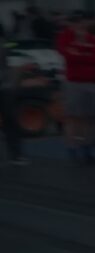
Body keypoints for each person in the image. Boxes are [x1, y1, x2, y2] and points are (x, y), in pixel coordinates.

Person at [56, 11, 95, 165]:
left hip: (92, 83)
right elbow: (68, 55)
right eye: (76, 22)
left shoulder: (94, 39)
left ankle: (87, 150)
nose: (80, 25)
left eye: (82, 22)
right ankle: (72, 149)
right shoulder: (65, 37)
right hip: (73, 83)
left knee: (89, 118)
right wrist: (86, 54)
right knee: (72, 118)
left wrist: (80, 53)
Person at [0, 24, 26, 166]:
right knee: (11, 121)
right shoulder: (7, 43)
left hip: (6, 87)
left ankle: (16, 154)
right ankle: (16, 155)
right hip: (7, 88)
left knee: (11, 121)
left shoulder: (5, 44)